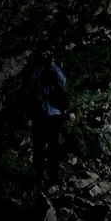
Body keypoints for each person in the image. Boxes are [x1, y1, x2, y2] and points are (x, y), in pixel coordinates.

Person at [23, 45, 68, 181]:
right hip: (40, 113)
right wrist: (40, 66)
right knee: (39, 146)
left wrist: (52, 65)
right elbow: (30, 84)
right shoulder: (35, 71)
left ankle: (54, 176)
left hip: (54, 113)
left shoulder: (54, 69)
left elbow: (63, 81)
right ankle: (38, 175)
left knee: (54, 146)